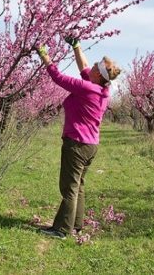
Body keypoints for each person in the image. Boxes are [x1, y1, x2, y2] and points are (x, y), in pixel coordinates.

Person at [36, 37, 121, 239]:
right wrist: (76, 46)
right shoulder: (101, 89)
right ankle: (76, 225)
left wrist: (43, 54)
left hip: (77, 144)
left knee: (69, 187)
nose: (91, 66)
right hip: (90, 145)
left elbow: (58, 77)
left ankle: (61, 230)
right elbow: (84, 66)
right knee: (79, 186)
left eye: (96, 66)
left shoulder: (87, 88)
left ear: (98, 74)